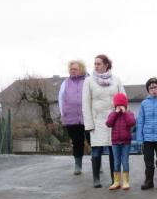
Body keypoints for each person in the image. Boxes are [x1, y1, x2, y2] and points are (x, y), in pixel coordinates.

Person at [83, 54, 125, 188]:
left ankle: (115, 179)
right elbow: (85, 103)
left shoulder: (116, 80)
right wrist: (89, 124)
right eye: (95, 64)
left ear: (106, 65)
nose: (95, 66)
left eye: (99, 63)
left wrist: (123, 117)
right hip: (97, 121)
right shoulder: (89, 81)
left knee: (114, 152)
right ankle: (96, 178)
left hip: (114, 121)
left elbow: (123, 99)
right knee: (96, 151)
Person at [58, 59, 89, 175]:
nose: (72, 71)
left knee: (92, 141)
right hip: (71, 118)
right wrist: (63, 114)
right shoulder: (65, 83)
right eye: (71, 69)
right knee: (77, 142)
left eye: (75, 69)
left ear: (81, 69)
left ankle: (97, 162)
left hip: (87, 117)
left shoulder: (88, 81)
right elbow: (61, 99)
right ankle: (78, 165)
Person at [105, 93, 135, 191]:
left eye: (122, 105)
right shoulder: (113, 114)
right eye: (118, 105)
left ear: (125, 105)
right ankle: (116, 182)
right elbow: (108, 123)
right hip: (115, 142)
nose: (120, 107)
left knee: (125, 161)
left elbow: (132, 122)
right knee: (116, 162)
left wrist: (125, 112)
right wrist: (115, 113)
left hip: (126, 142)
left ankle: (126, 181)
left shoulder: (129, 113)